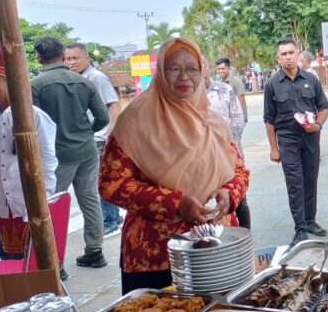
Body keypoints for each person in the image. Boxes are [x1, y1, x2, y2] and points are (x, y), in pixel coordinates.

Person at [98, 37, 249, 293]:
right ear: (160, 73)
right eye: (173, 68)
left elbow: (239, 170)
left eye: (192, 69)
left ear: (202, 73)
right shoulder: (135, 121)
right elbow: (111, 184)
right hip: (157, 253)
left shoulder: (211, 120)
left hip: (219, 246)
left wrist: (228, 194)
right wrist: (175, 203)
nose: (184, 77)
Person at [30, 36, 110, 270]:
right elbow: (103, 117)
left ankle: (57, 263)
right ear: (63, 56)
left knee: (53, 207)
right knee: (90, 200)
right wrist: (85, 132)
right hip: (86, 150)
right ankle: (95, 252)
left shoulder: (35, 85)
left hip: (56, 156)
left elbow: (31, 123)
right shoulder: (84, 82)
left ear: (38, 58)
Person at [264, 38, 328, 247]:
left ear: (297, 54)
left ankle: (310, 221)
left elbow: (324, 106)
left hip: (311, 138)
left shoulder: (311, 79)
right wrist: (274, 148)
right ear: (278, 58)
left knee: (311, 180)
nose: (288, 57)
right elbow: (269, 119)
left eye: (291, 53)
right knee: (295, 184)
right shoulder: (272, 84)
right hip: (288, 141)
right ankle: (300, 228)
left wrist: (318, 125)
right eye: (283, 54)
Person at [0, 45, 57, 260]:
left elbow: (48, 159)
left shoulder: (32, 115)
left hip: (28, 202)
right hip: (2, 204)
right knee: (9, 263)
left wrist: (46, 199)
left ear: (7, 81)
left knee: (38, 262)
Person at [64, 42, 123, 238]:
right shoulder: (75, 79)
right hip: (90, 138)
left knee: (98, 183)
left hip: (100, 138)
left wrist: (110, 135)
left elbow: (114, 105)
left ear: (87, 58)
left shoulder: (96, 77)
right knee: (101, 181)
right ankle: (113, 216)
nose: (71, 62)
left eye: (76, 58)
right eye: (68, 58)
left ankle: (109, 220)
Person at [202, 58, 251, 229]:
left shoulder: (224, 90)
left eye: (203, 66)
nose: (200, 71)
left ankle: (245, 237)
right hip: (202, 163)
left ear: (208, 69)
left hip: (230, 154)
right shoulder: (184, 96)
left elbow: (238, 118)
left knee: (239, 200)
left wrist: (227, 146)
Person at [215, 57, 248, 123]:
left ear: (229, 68)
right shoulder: (219, 82)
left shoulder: (236, 81)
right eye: (218, 69)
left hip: (237, 118)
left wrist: (237, 118)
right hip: (227, 118)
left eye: (223, 69)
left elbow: (241, 100)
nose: (220, 71)